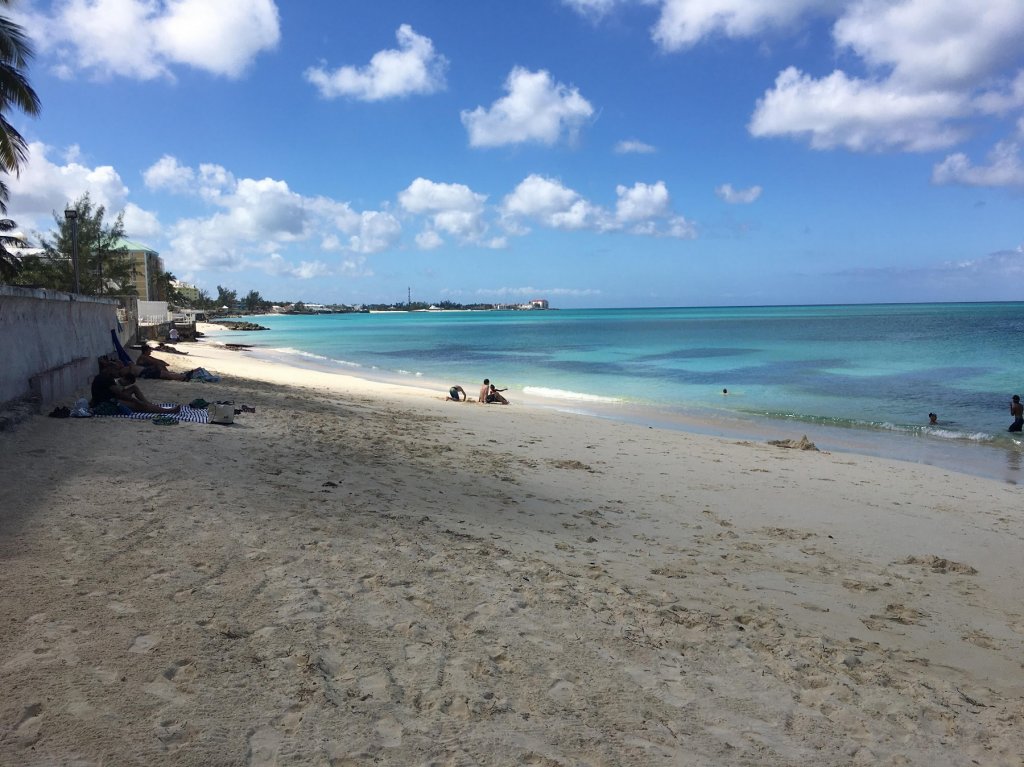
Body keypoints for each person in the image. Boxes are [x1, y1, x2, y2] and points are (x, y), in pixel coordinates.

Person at [90, 371, 181, 414]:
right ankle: (167, 411)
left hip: (111, 398)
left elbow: (118, 393)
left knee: (135, 390)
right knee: (140, 406)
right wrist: (135, 400)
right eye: (117, 368)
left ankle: (147, 403)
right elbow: (120, 394)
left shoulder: (104, 377)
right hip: (111, 401)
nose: (120, 369)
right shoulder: (107, 379)